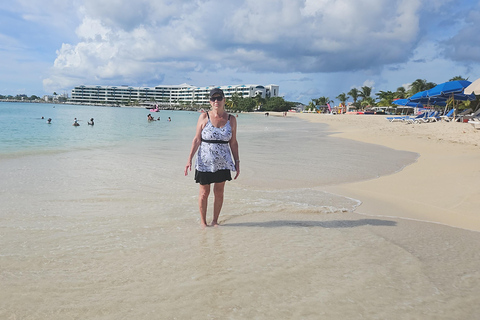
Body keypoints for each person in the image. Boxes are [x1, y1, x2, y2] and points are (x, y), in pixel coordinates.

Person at [184, 88, 240, 228]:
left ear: (224, 100)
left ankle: (215, 221)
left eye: (219, 98)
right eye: (213, 99)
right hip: (204, 161)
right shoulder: (204, 117)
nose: (216, 101)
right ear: (210, 101)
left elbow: (233, 143)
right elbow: (197, 139)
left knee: (219, 192)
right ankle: (203, 223)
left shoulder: (231, 119)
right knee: (204, 193)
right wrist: (189, 159)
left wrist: (237, 162)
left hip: (223, 162)